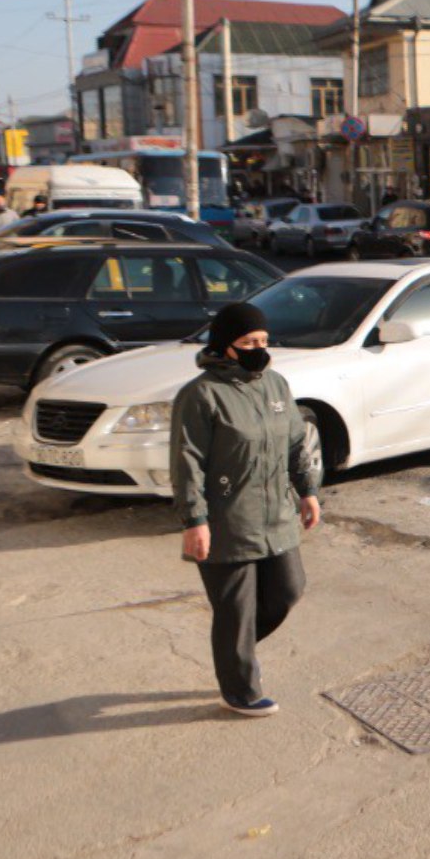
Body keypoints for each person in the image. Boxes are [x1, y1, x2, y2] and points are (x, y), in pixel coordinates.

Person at [170, 302, 321, 717]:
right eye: (248, 342)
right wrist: (194, 521)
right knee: (235, 608)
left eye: (263, 341)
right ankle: (239, 688)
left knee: (288, 590)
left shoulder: (275, 385)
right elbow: (187, 462)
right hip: (227, 517)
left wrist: (307, 490)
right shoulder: (200, 395)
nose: (259, 348)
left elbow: (295, 442)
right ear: (225, 346)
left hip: (276, 513)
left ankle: (233, 651)